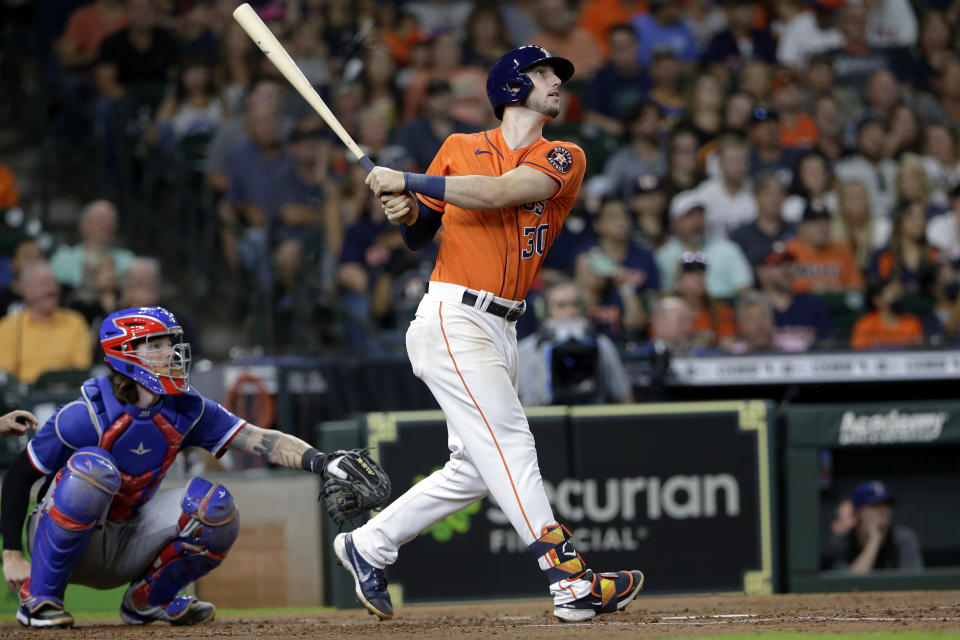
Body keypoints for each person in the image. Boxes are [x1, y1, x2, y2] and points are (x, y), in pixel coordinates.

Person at [353, 45, 644, 623]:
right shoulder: (459, 149)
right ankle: (570, 581)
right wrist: (403, 208)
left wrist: (406, 178)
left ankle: (368, 546)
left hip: (502, 325)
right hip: (453, 315)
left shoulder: (564, 155)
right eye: (544, 74)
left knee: (473, 469)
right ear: (513, 85)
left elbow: (498, 193)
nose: (556, 83)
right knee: (511, 444)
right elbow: (421, 231)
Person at [1, 306, 388, 628]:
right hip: (60, 540)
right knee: (94, 468)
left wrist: (322, 461)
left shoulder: (187, 407)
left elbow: (255, 437)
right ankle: (41, 599)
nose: (170, 351)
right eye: (156, 344)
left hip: (125, 541)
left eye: (170, 342)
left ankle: (147, 601)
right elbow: (20, 476)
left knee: (215, 507)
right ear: (126, 353)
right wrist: (11, 553)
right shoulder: (84, 414)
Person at [517, 280, 633, 406]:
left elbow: (624, 398)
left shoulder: (602, 345)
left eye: (575, 304)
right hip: (543, 422)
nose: (571, 311)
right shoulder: (524, 350)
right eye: (561, 305)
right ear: (544, 311)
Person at [0, 262, 92, 385]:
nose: (52, 289)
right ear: (27, 291)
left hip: (66, 394)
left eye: (54, 283)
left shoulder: (75, 322)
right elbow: (6, 376)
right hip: (26, 397)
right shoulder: (9, 326)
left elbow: (81, 370)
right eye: (44, 283)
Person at [656, 189, 754, 297]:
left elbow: (745, 288)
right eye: (689, 216)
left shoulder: (727, 249)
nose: (696, 222)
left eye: (699, 215)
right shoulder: (664, 255)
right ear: (673, 223)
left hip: (723, 309)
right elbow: (661, 294)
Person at [824, 481, 923, 573]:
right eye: (875, 505)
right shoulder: (842, 542)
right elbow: (848, 585)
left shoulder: (903, 538)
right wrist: (874, 540)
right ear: (857, 512)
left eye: (887, 504)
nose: (883, 510)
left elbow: (913, 584)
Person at [49, 199, 135, 291]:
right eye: (100, 219)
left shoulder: (129, 261)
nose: (107, 224)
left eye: (111, 220)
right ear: (83, 226)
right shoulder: (62, 261)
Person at [850, 277, 924, 350]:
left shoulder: (913, 323)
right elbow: (858, 355)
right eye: (893, 293)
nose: (897, 297)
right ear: (877, 299)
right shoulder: (865, 325)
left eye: (899, 294)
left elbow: (920, 353)